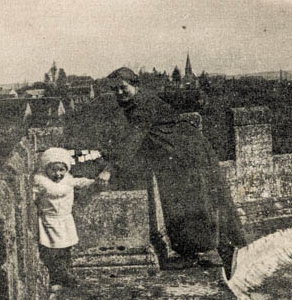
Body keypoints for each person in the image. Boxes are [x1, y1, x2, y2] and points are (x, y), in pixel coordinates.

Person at [100, 67, 245, 278]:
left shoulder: (142, 105)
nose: (119, 93)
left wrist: (109, 169)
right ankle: (212, 248)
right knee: (196, 202)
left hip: (183, 156)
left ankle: (214, 250)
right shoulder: (138, 101)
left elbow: (134, 138)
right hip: (181, 153)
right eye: (115, 90)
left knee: (191, 205)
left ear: (135, 85)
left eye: (123, 88)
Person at [34, 147, 96, 289]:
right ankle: (57, 278)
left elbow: (79, 182)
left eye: (61, 170)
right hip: (50, 221)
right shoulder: (42, 183)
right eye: (53, 170)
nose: (58, 174)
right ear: (45, 169)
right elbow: (32, 196)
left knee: (66, 249)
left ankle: (65, 273)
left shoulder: (67, 181)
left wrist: (93, 183)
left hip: (66, 219)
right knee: (53, 251)